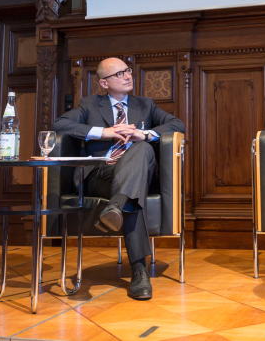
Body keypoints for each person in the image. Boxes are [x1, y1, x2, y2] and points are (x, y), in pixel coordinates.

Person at [52, 57, 185, 300]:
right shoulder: (90, 105)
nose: (127, 76)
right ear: (104, 83)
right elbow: (60, 124)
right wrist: (104, 132)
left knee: (142, 149)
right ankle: (139, 270)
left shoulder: (145, 105)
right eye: (119, 74)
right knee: (134, 188)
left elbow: (177, 124)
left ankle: (118, 205)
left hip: (133, 171)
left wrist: (143, 134)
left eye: (128, 71)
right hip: (100, 173)